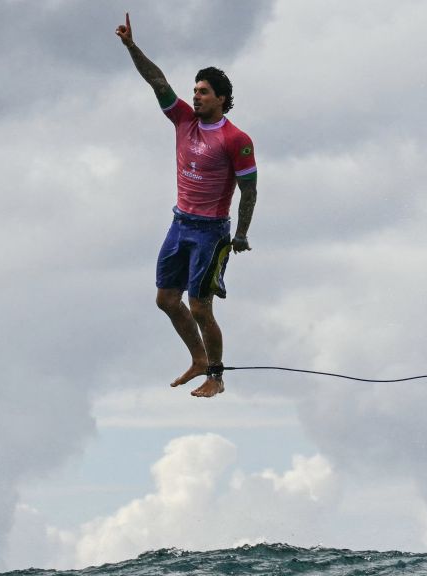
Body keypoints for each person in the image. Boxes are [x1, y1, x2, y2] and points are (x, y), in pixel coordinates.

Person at [116, 13, 258, 398]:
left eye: (204, 92)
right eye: (195, 90)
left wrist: (241, 233)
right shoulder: (183, 120)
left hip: (211, 232)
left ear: (222, 99)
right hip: (180, 224)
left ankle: (216, 374)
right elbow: (157, 80)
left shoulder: (236, 139)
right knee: (166, 299)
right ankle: (197, 358)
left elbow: (249, 189)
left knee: (199, 306)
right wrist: (131, 46)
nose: (195, 96)